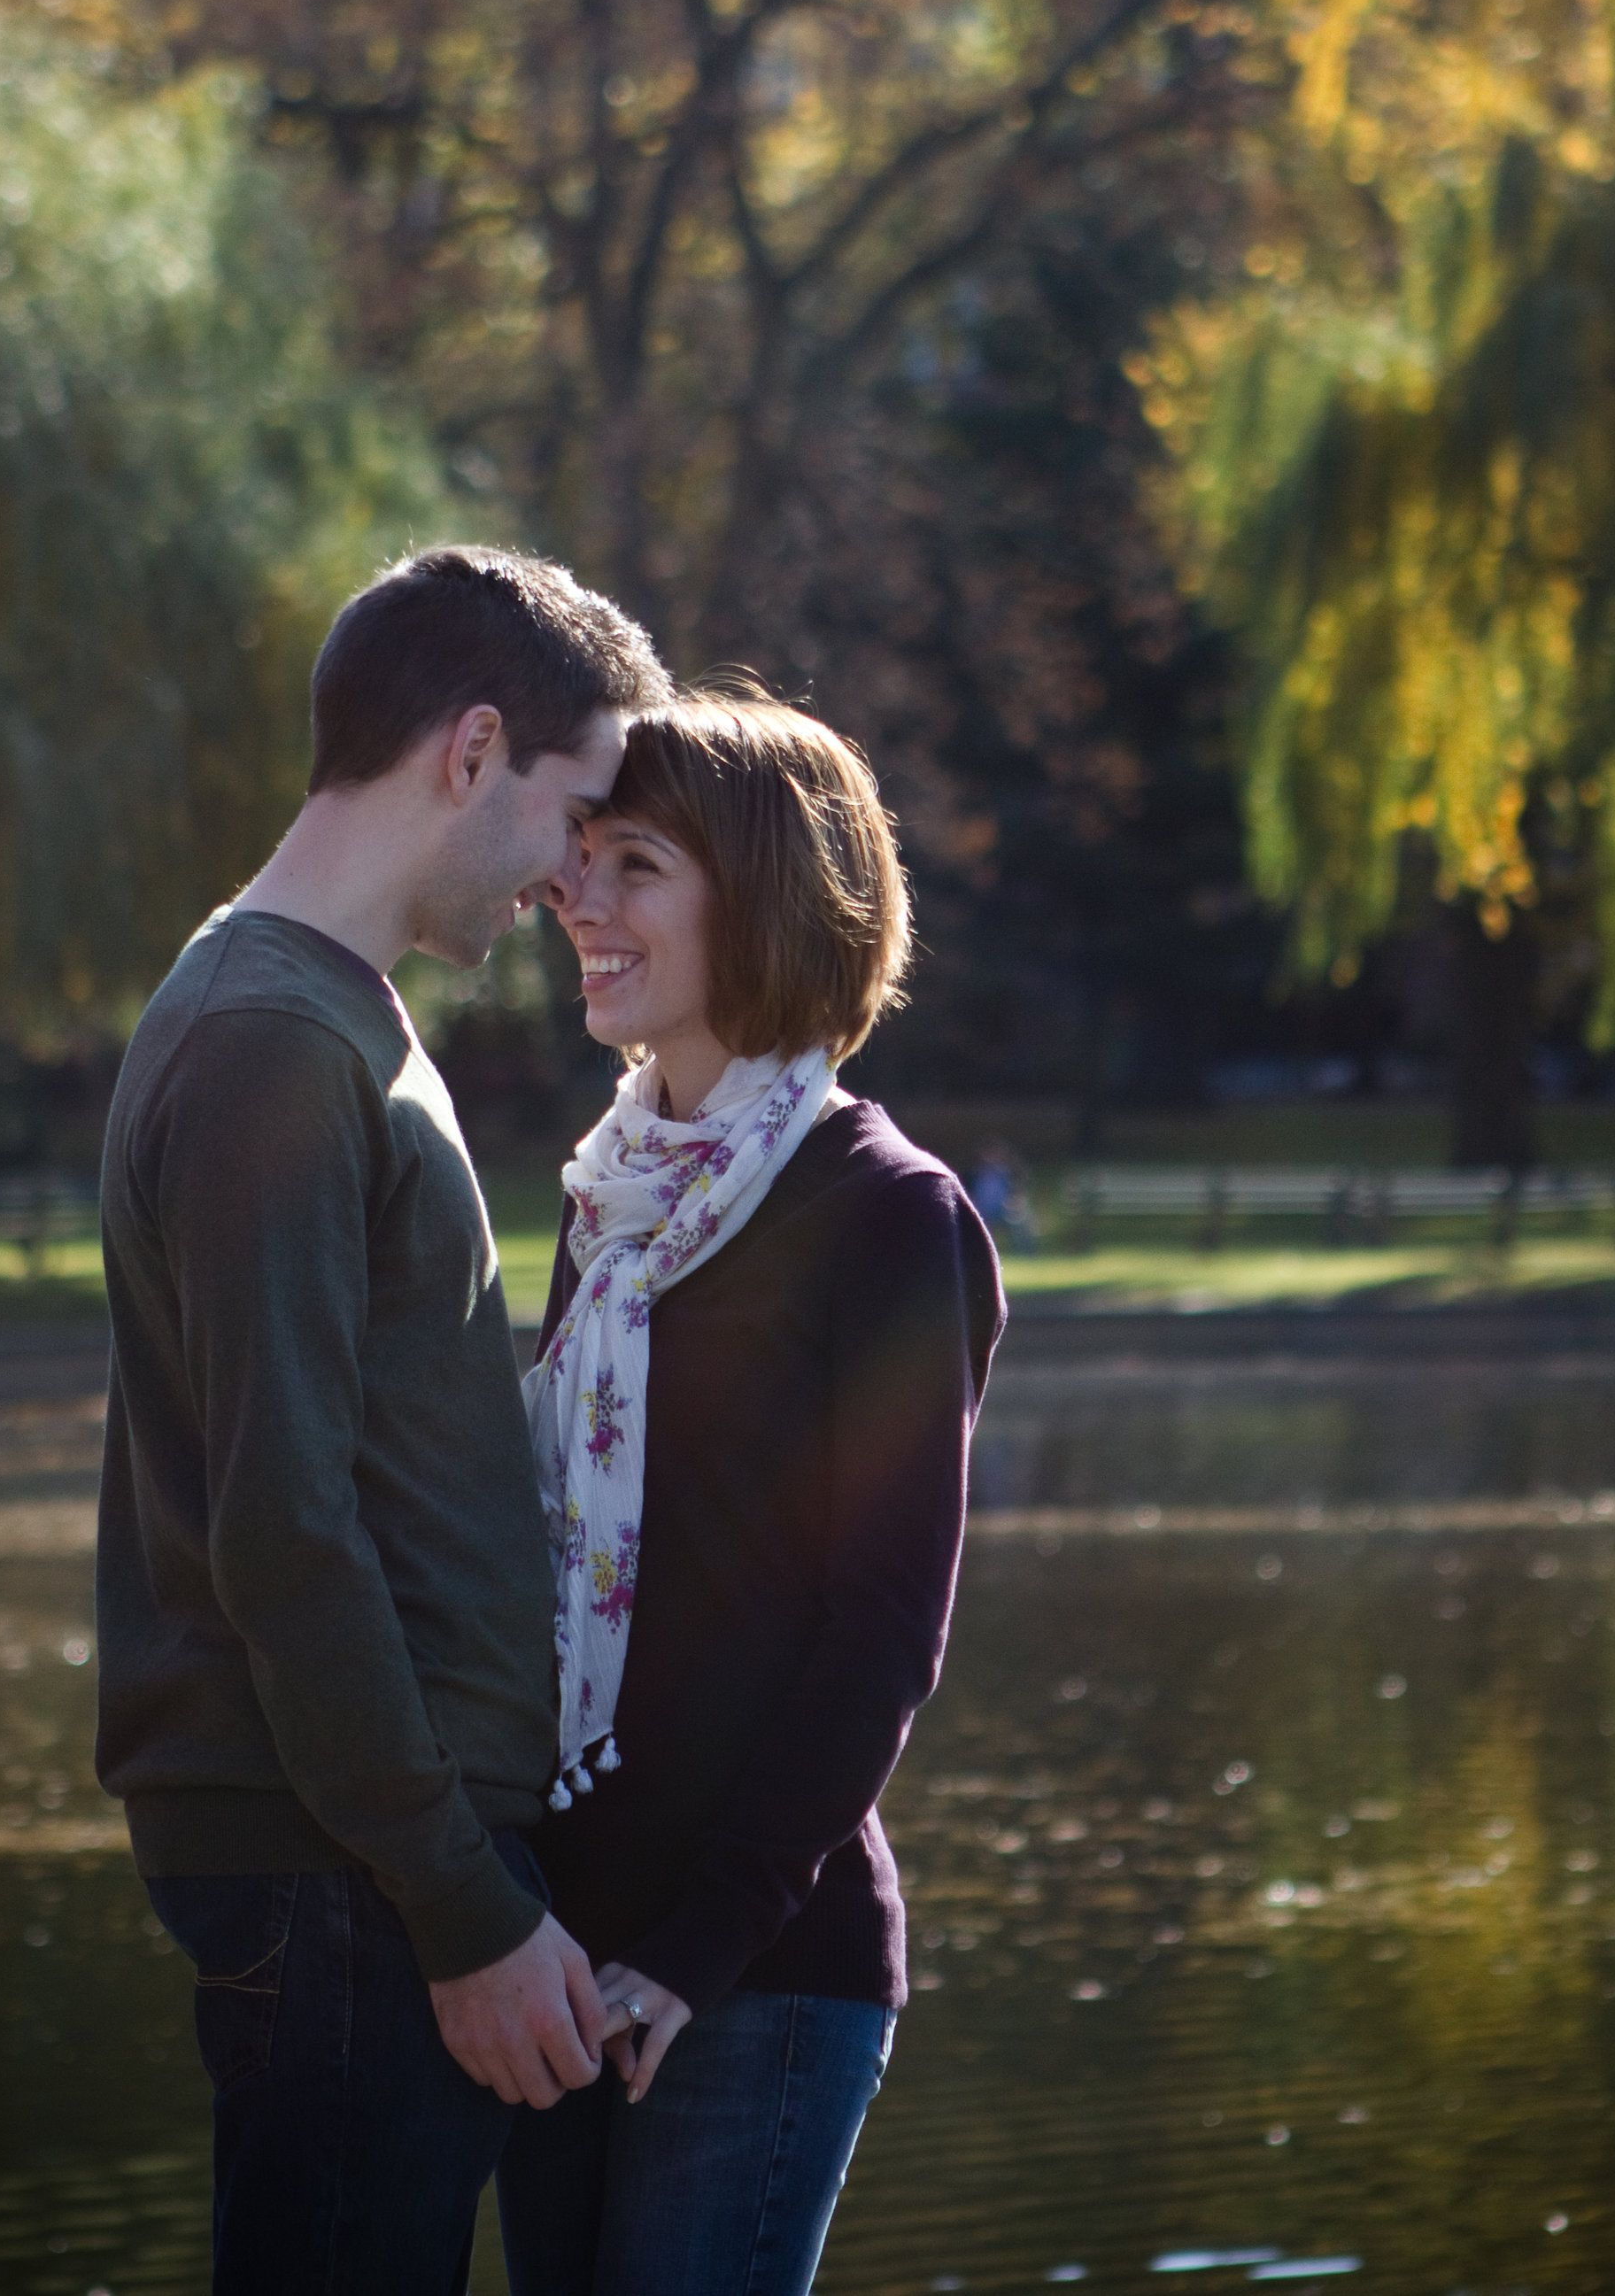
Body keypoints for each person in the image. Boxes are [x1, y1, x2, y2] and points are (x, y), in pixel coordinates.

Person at [95, 545, 671, 2296]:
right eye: (574, 810)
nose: (573, 870)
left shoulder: (325, 1010)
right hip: (339, 1862)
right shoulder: (273, 1040)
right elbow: (285, 1529)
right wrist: (461, 1902)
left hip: (365, 1850)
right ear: (471, 748)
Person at [493, 693, 1006, 2296]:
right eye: (582, 860)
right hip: (559, 1962)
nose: (578, 900)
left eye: (634, 863)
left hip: (759, 1971)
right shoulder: (607, 1201)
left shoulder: (889, 1216)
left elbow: (880, 1642)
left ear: (767, 892)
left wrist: (693, 1955)